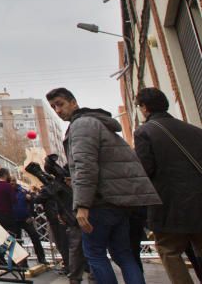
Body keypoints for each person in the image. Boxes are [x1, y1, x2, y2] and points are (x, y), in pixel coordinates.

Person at [46, 87, 159, 284]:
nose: (57, 110)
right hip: (118, 201)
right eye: (53, 106)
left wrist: (82, 205)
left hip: (100, 201)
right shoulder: (98, 123)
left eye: (60, 104)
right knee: (123, 255)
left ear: (73, 102)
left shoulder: (81, 125)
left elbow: (85, 166)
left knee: (95, 254)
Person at [132, 87, 202, 284]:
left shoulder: (144, 132)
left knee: (169, 252)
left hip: (169, 207)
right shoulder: (195, 131)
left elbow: (145, 170)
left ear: (145, 107)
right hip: (200, 204)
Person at [12, 183, 47, 264]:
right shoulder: (9, 192)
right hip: (15, 220)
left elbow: (31, 202)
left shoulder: (23, 191)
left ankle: (41, 258)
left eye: (13, 181)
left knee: (35, 237)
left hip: (26, 219)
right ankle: (22, 261)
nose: (12, 183)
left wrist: (31, 215)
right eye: (10, 181)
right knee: (17, 241)